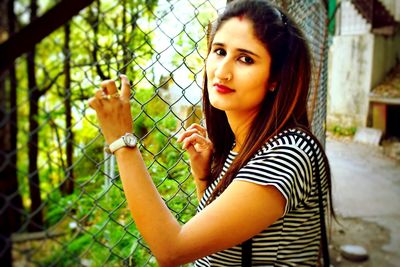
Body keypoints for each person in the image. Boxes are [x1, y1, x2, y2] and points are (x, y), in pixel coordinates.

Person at [88, 0, 333, 266]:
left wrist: (122, 141)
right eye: (219, 51)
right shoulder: (246, 146)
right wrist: (205, 178)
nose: (223, 71)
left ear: (275, 78)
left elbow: (172, 250)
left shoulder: (286, 154)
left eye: (245, 59)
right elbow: (224, 244)